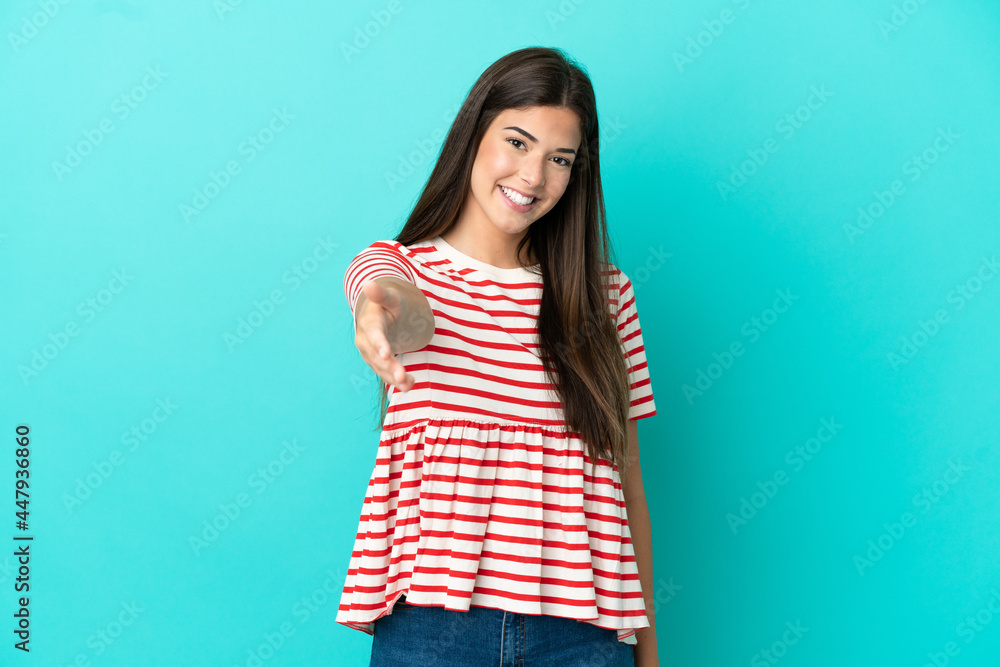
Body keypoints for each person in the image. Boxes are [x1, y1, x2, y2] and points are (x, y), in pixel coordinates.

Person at [336, 46, 659, 666]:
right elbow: (390, 296)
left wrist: (649, 653)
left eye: (559, 159)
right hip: (433, 630)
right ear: (473, 137)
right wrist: (378, 311)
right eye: (517, 142)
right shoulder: (406, 271)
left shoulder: (606, 296)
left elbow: (631, 488)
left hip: (584, 637)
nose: (533, 177)